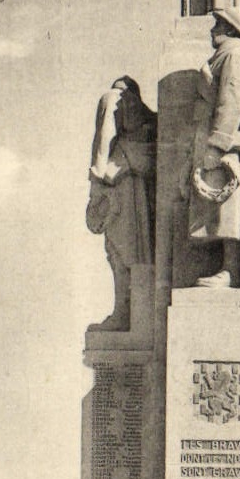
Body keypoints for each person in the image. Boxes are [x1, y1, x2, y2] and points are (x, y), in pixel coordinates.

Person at [185, 6, 240, 288]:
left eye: (218, 25)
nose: (213, 30)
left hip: (227, 146)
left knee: (229, 212)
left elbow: (230, 101)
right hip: (217, 143)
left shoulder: (234, 56)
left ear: (231, 29)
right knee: (218, 212)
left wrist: (217, 146)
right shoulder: (224, 56)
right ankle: (224, 267)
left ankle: (230, 270)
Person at [86, 76, 156, 329]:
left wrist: (96, 179)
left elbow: (103, 140)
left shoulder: (112, 98)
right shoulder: (148, 122)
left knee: (120, 251)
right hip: (130, 180)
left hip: (117, 182)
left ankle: (124, 314)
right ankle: (129, 314)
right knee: (129, 252)